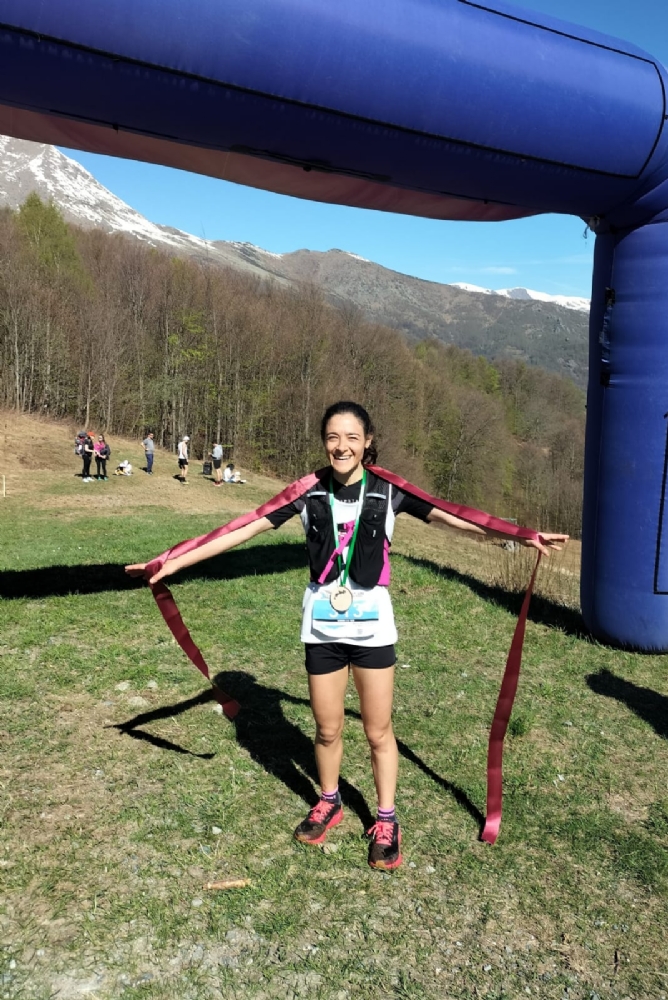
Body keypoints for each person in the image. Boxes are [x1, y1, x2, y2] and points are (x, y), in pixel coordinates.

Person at [125, 401, 567, 871]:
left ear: (367, 441)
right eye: (334, 437)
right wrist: (169, 563)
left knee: (378, 731)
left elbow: (452, 516)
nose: (342, 446)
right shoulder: (306, 491)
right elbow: (241, 529)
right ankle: (330, 800)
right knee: (328, 727)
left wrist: (519, 535)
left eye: (352, 437)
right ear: (324, 442)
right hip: (322, 629)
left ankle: (386, 819)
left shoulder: (389, 489)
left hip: (373, 630)